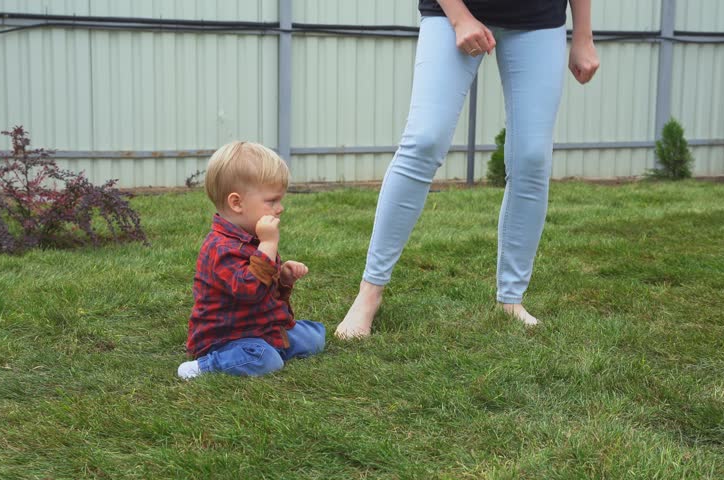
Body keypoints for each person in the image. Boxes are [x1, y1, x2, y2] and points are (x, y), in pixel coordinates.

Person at [335, 0, 600, 338]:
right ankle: (369, 293)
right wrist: (460, 18)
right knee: (424, 140)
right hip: (451, 12)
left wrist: (583, 36)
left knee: (532, 158)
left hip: (539, 18)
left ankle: (511, 299)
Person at [178, 141, 325, 378]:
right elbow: (250, 291)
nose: (280, 208)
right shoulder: (220, 248)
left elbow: (266, 290)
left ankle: (271, 347)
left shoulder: (252, 236)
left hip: (260, 327)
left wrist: (283, 278)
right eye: (272, 201)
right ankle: (203, 366)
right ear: (237, 203)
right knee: (266, 360)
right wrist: (268, 245)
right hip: (227, 338)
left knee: (314, 338)